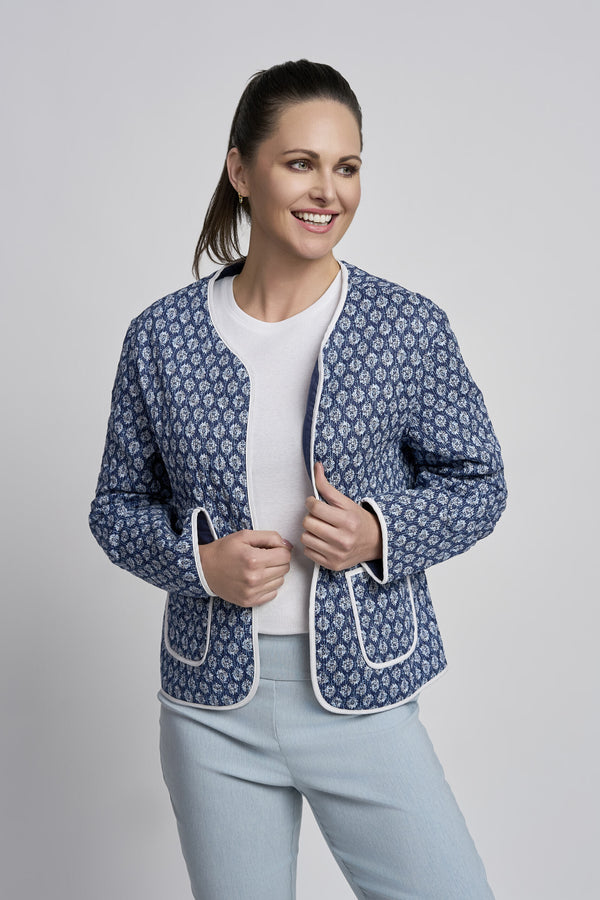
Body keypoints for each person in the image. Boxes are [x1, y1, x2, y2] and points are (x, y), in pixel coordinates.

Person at [90, 59, 507, 900]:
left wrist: (378, 532)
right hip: (212, 708)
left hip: (363, 697)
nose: (328, 191)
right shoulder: (161, 338)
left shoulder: (405, 327)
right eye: (300, 163)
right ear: (242, 171)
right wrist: (200, 564)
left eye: (347, 167)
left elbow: (480, 481)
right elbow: (117, 506)